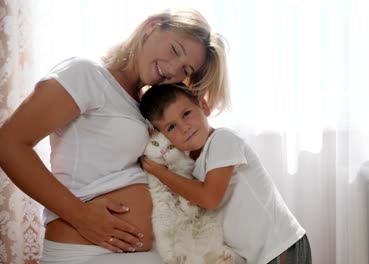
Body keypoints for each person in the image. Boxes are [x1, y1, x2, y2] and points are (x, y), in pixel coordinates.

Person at [0, 7, 229, 264]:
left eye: (186, 70)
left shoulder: (143, 104)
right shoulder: (86, 73)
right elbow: (9, 144)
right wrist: (80, 215)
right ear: (152, 25)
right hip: (87, 253)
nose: (174, 69)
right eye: (175, 50)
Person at [139, 83, 312, 264]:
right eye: (171, 127)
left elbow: (210, 197)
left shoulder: (223, 140)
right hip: (260, 254)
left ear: (204, 106)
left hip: (280, 246)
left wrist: (159, 172)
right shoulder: (197, 165)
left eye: (186, 114)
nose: (184, 128)